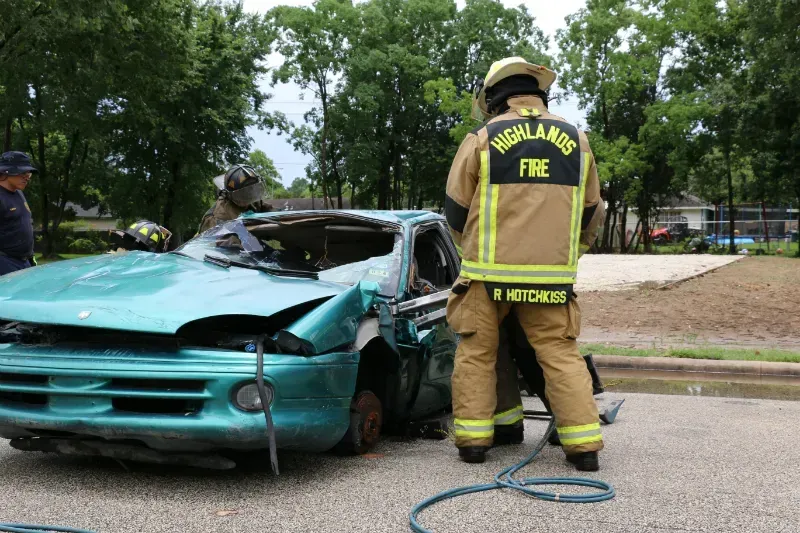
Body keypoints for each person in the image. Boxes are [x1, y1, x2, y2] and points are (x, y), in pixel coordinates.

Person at [444, 57, 606, 470]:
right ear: (538, 93)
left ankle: (474, 445)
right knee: (560, 354)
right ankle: (584, 449)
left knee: (478, 353)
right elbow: (592, 212)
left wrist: (473, 251)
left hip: (485, 275)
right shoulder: (578, 139)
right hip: (550, 280)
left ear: (495, 96)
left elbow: (455, 210)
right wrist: (565, 256)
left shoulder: (482, 137)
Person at [196, 164, 273, 234]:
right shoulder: (217, 218)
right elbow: (215, 245)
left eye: (252, 189)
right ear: (230, 195)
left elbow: (271, 212)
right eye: (244, 193)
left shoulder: (252, 200)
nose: (250, 195)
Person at [0, 151, 38, 276]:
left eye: (29, 173)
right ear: (6, 171)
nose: (27, 176)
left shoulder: (18, 193)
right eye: (22, 172)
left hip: (24, 262)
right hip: (4, 262)